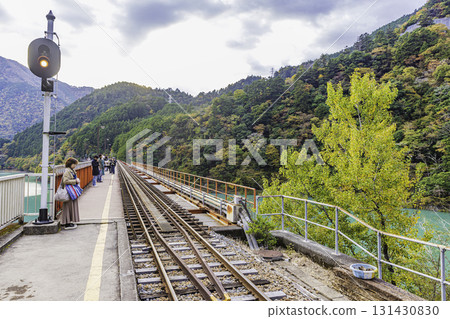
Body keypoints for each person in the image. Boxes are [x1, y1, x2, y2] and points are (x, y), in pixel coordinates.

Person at [61, 158, 80, 230]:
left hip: (71, 191)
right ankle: (67, 223)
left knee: (71, 206)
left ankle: (69, 221)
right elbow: (65, 181)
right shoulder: (67, 171)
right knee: (68, 206)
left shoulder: (71, 170)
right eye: (74, 164)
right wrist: (75, 181)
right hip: (69, 191)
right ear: (71, 164)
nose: (75, 165)